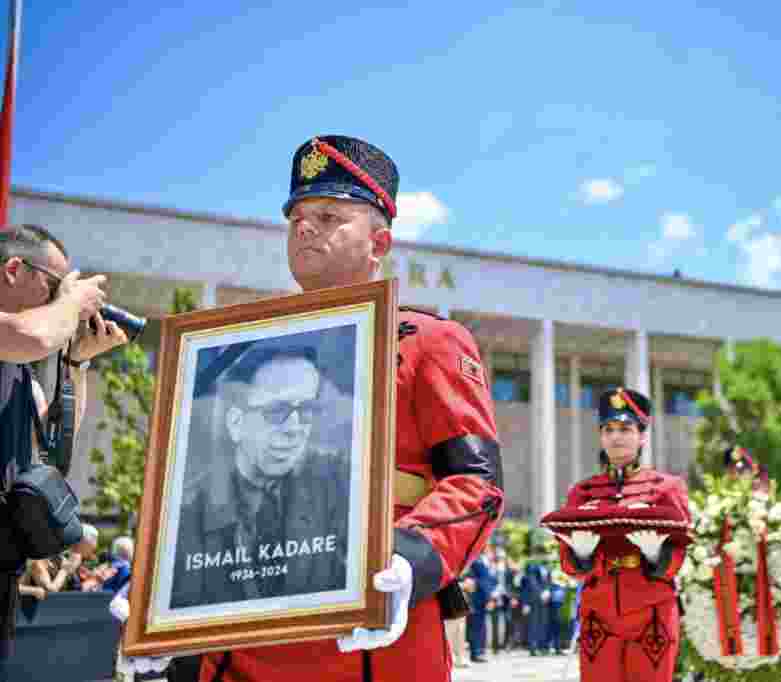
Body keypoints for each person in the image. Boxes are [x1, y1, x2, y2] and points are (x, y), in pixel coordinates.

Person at [117, 135, 504, 682]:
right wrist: (159, 587)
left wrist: (411, 559)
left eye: (328, 215)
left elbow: (476, 484)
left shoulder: (428, 342)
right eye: (297, 215)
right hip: (244, 635)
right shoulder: (240, 350)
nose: (305, 226)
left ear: (379, 241)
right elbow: (203, 486)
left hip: (368, 639)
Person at [0, 224, 123, 673]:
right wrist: (72, 304)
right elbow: (33, 337)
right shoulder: (18, 339)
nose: (58, 298)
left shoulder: (18, 372)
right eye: (53, 284)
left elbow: (53, 452)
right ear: (13, 269)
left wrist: (77, 362)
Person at [170, 345, 351, 608]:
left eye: (307, 410)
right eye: (276, 411)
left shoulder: (339, 486)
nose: (294, 428)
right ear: (235, 423)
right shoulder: (185, 514)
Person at [554, 387, 689, 682]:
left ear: (642, 436)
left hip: (652, 612)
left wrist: (657, 555)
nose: (616, 437)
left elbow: (681, 555)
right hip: (598, 615)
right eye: (609, 429)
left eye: (626, 429)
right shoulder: (582, 492)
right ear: (601, 437)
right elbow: (567, 563)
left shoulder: (667, 488)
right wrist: (581, 556)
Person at [467, 544, 498, 663]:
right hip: (478, 598)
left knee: (481, 626)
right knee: (477, 626)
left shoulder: (485, 561)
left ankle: (480, 651)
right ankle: (476, 652)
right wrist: (489, 598)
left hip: (483, 597)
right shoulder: (477, 561)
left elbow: (490, 580)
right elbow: (483, 582)